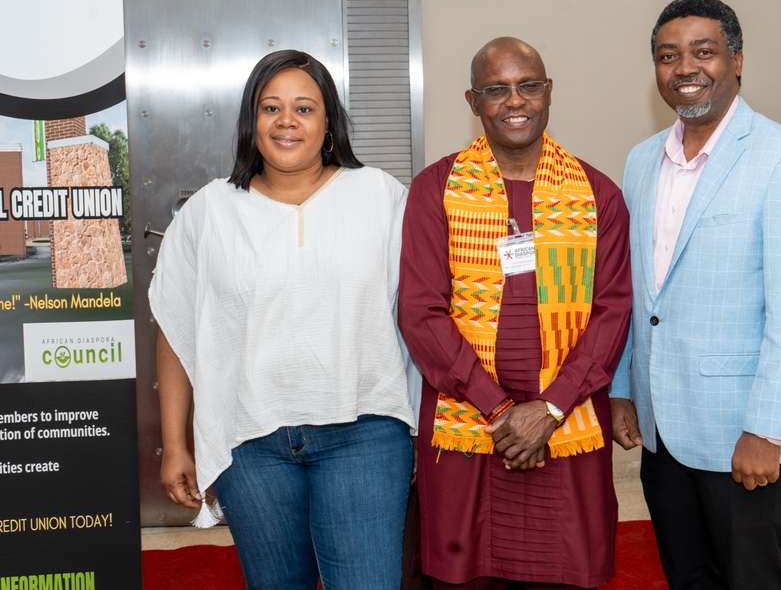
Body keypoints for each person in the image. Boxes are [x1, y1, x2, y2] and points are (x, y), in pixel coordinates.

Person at [150, 49, 417, 589]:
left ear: (328, 123)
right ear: (251, 122)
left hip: (365, 434)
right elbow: (177, 328)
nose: (286, 121)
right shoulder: (209, 211)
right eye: (271, 108)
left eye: (304, 108)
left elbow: (423, 314)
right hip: (251, 443)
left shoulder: (381, 196)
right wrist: (175, 444)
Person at [609, 0, 781, 590]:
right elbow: (635, 290)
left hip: (743, 430)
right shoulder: (641, 162)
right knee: (687, 577)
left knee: (750, 578)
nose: (685, 67)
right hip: (662, 428)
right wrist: (623, 388)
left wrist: (766, 429)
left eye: (703, 51)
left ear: (737, 61)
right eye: (668, 56)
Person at [398, 37, 631, 590]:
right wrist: (502, 411)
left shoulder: (597, 194)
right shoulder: (436, 190)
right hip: (470, 426)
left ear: (549, 92)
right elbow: (422, 312)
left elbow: (612, 311)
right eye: (496, 89)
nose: (515, 101)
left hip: (566, 422)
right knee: (464, 572)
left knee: (564, 569)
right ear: (472, 101)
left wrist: (548, 409)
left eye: (528, 85)